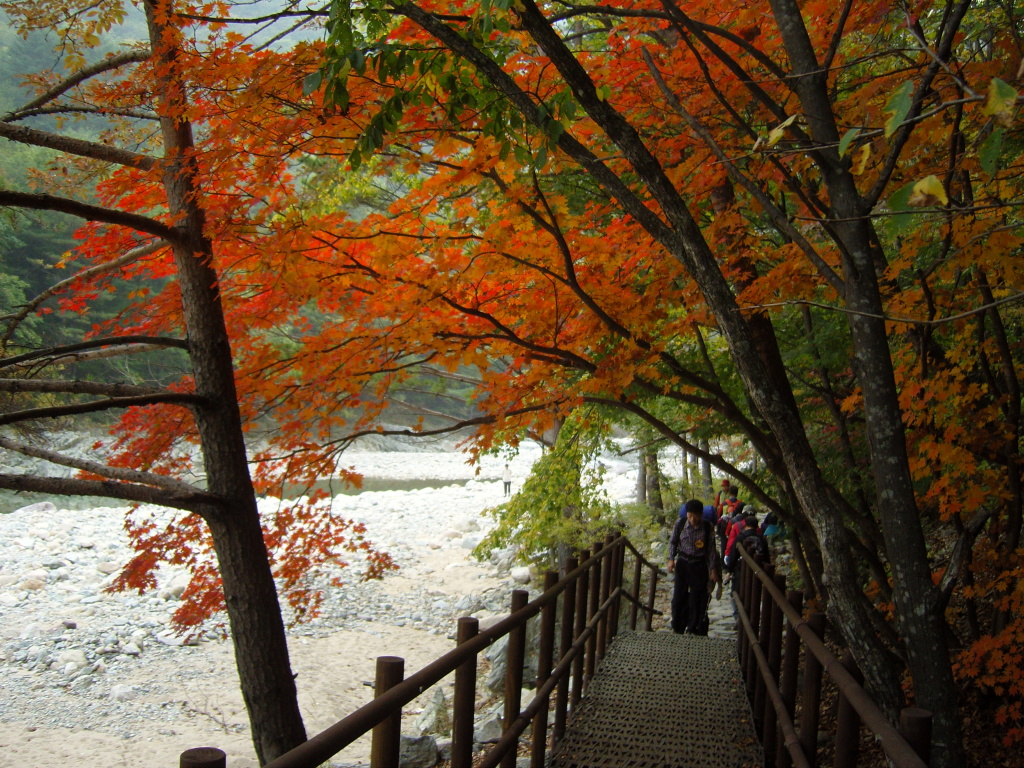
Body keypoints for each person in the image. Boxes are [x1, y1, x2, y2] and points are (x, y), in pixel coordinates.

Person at [668, 499, 721, 635]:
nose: (692, 519)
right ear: (687, 514)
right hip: (683, 563)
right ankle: (678, 626)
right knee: (679, 596)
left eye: (695, 516)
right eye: (690, 515)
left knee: (697, 597)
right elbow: (673, 542)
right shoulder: (680, 524)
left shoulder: (708, 527)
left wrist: (713, 570)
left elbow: (711, 550)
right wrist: (671, 559)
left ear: (701, 514)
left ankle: (694, 627)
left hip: (699, 565)